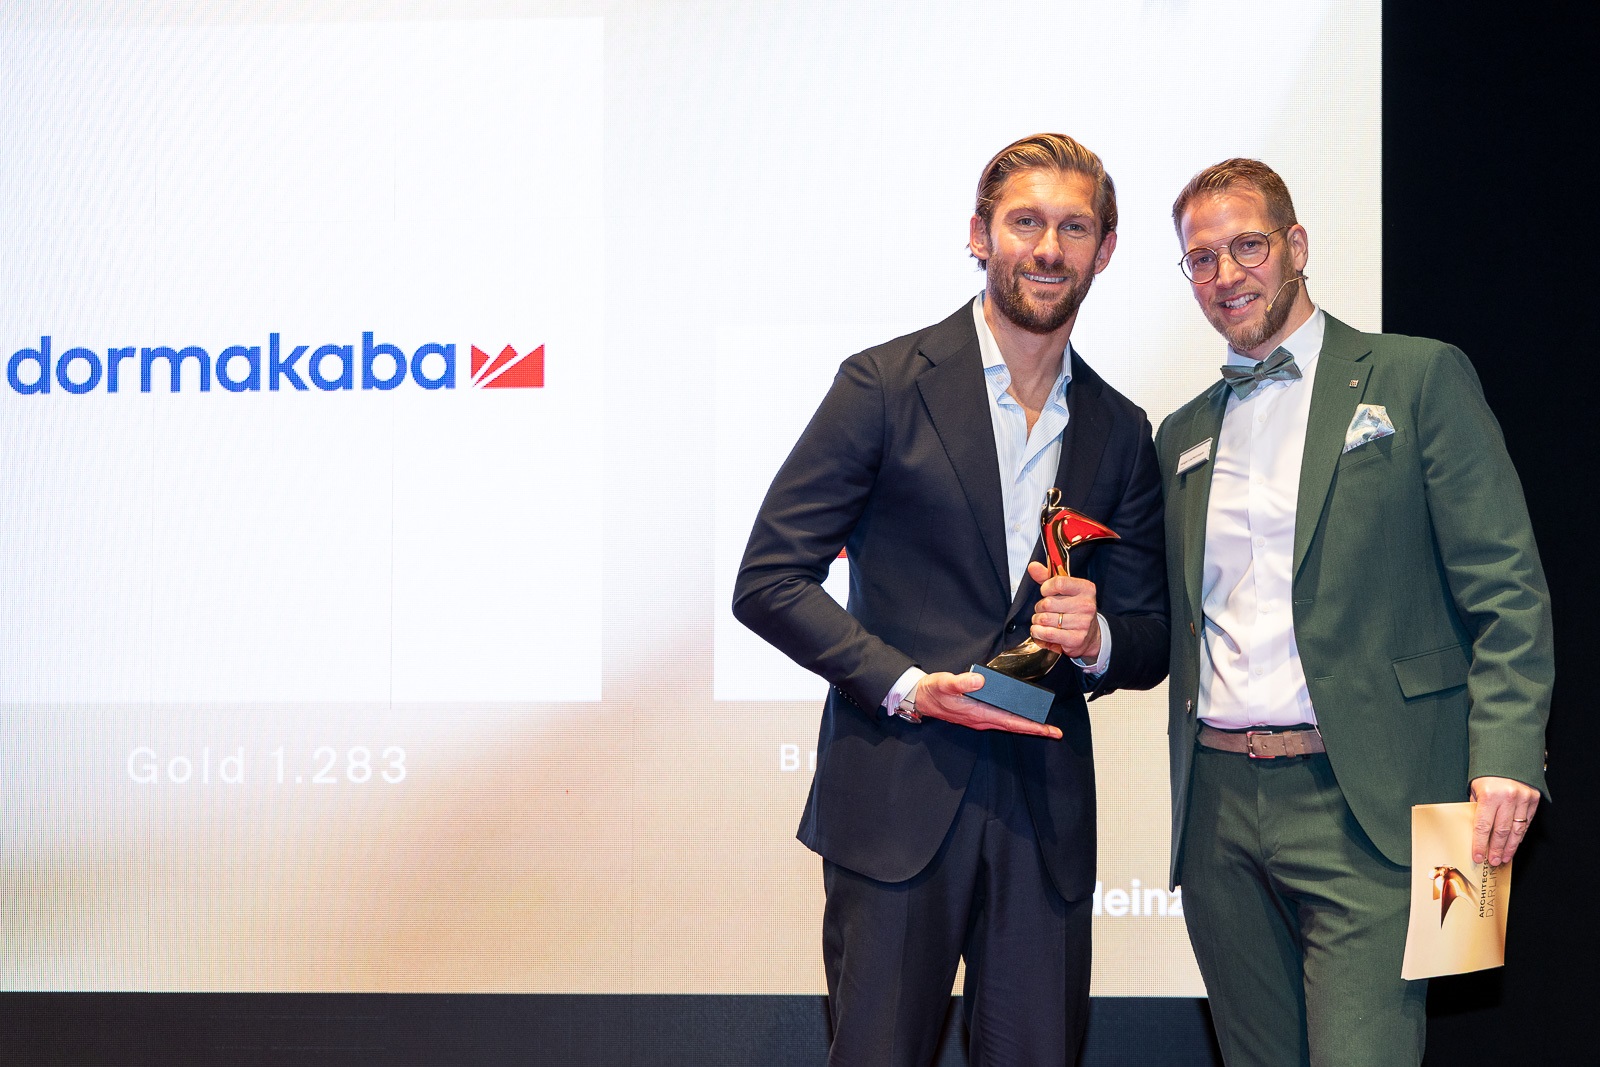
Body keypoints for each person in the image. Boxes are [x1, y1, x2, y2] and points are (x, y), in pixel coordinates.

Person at [732, 133, 1168, 1065]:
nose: (1048, 248)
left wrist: (1096, 639)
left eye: (1074, 228)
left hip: (1043, 822)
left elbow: (1150, 634)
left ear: (1105, 250)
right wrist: (903, 684)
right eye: (1025, 222)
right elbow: (768, 579)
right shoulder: (883, 385)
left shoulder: (1123, 429)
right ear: (979, 234)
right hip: (896, 799)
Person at [1155, 158, 1553, 1066]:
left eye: (1247, 246)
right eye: (1201, 258)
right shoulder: (1181, 433)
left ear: (1296, 245)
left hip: (1377, 798)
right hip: (1218, 811)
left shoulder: (1418, 377)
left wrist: (1505, 753)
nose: (1225, 275)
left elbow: (1506, 585)